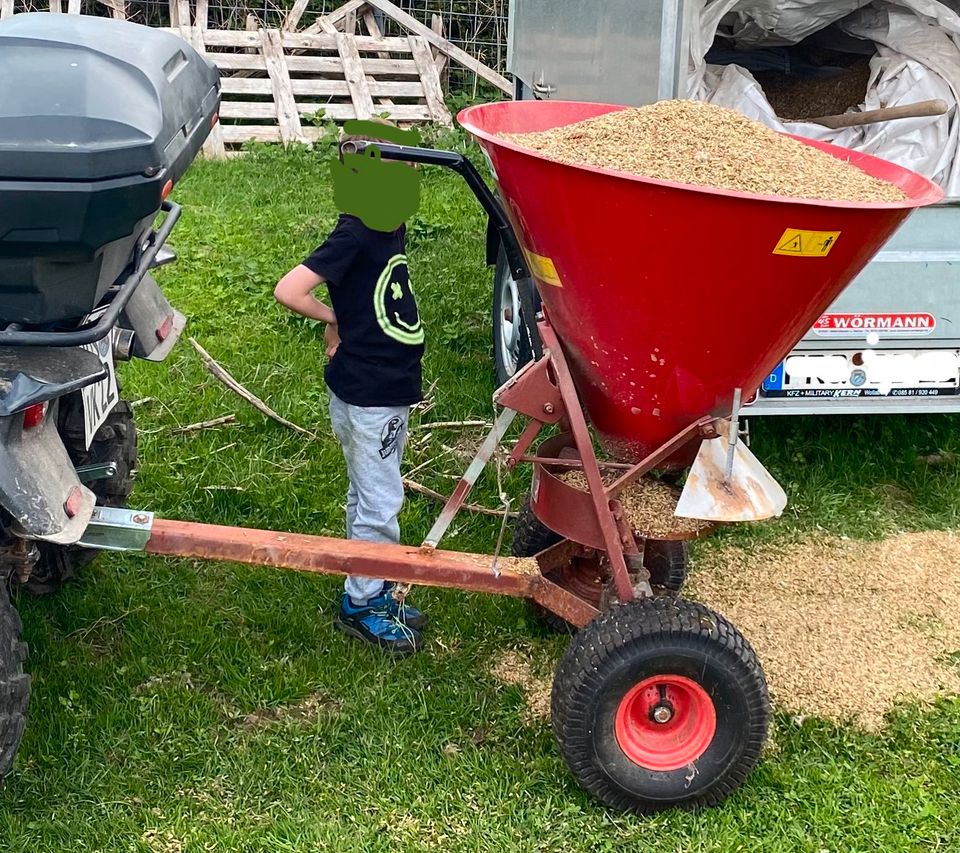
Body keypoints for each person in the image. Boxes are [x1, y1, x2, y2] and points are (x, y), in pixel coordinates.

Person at [273, 121, 427, 656]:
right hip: (371, 393)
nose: (411, 178)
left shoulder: (388, 226)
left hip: (381, 386)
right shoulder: (357, 231)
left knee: (368, 492)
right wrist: (330, 315)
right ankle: (364, 603)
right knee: (381, 499)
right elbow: (288, 289)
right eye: (402, 168)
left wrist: (341, 318)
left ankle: (369, 581)